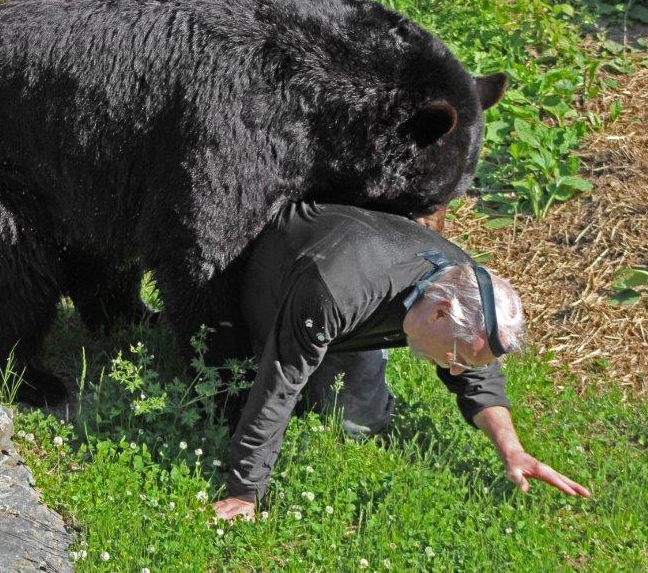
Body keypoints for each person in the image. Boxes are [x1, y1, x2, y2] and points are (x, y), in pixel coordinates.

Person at [213, 202, 590, 522]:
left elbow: (478, 373)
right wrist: (246, 491)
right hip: (278, 283)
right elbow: (280, 382)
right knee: (243, 386)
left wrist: (512, 449)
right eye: (456, 357)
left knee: (359, 422)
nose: (454, 370)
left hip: (344, 313)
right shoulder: (337, 290)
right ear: (440, 313)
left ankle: (326, 351)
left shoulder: (463, 282)